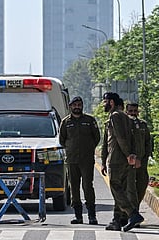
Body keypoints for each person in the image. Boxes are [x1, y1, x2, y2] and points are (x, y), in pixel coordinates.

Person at [101, 92, 143, 232]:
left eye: (105, 101)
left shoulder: (115, 116)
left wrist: (128, 155)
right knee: (121, 190)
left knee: (115, 187)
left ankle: (132, 214)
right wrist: (132, 155)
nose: (103, 104)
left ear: (111, 102)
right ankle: (116, 220)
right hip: (124, 159)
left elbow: (120, 137)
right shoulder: (125, 116)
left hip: (117, 159)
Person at [59, 96, 101, 225]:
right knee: (74, 188)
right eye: (75, 105)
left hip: (86, 160)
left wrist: (87, 149)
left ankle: (92, 216)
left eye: (79, 104)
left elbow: (96, 138)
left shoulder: (89, 120)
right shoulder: (66, 122)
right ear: (71, 106)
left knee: (88, 186)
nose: (77, 107)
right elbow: (62, 140)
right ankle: (78, 216)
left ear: (82, 106)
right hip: (72, 160)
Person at [126, 102, 151, 215]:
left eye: (135, 111)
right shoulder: (124, 125)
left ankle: (136, 208)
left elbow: (147, 143)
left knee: (141, 186)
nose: (133, 113)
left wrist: (143, 160)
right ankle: (132, 213)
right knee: (130, 190)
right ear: (126, 112)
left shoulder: (143, 125)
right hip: (128, 164)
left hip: (141, 163)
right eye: (130, 111)